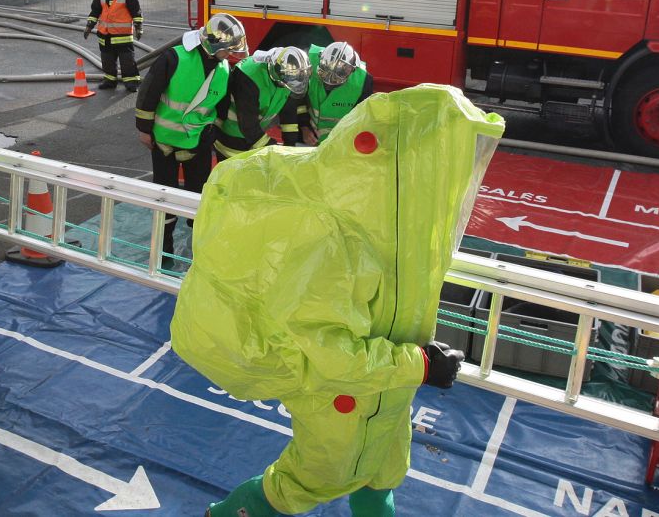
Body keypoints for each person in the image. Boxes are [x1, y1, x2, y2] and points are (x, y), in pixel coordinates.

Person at [171, 84, 507, 517]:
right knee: (313, 478)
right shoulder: (333, 237)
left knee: (382, 467)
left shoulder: (389, 220)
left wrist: (412, 366)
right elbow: (330, 355)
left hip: (386, 385)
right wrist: (418, 365)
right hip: (345, 395)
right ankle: (231, 513)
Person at [134, 13, 246, 266]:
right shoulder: (174, 58)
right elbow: (148, 93)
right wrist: (143, 127)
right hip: (164, 143)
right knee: (165, 198)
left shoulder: (223, 68)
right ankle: (163, 251)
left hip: (199, 143)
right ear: (214, 46)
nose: (230, 55)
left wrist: (213, 133)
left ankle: (201, 249)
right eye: (228, 50)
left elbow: (219, 106)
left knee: (200, 198)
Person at [212, 46, 309, 160]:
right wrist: (272, 148)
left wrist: (290, 146)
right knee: (230, 175)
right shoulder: (249, 76)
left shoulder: (287, 78)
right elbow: (248, 123)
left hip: (253, 136)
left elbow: (288, 112)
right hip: (230, 137)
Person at [298, 42, 374, 145]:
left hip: (340, 142)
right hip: (307, 133)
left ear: (351, 70)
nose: (328, 83)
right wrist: (304, 127)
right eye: (325, 76)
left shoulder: (363, 82)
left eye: (334, 80)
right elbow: (296, 99)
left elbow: (361, 120)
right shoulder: (307, 61)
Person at [84, 0, 143, 92]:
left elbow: (136, 11)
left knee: (127, 61)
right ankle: (110, 80)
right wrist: (89, 26)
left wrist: (139, 27)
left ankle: (131, 82)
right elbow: (95, 10)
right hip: (104, 35)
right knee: (107, 60)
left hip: (122, 36)